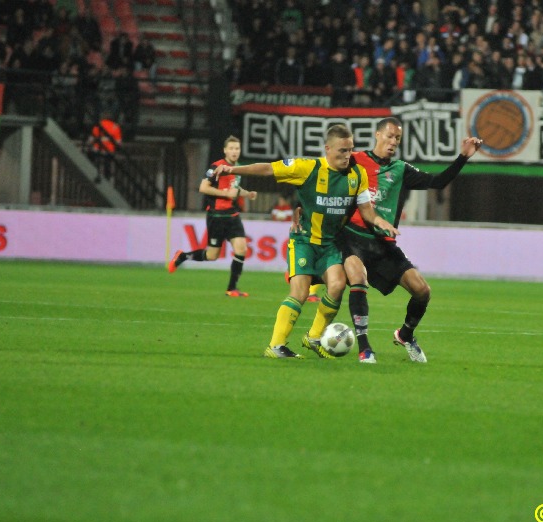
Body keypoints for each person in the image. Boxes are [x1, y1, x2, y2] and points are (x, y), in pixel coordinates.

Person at [213, 124, 399, 359]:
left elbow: (366, 211)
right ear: (327, 149)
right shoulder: (307, 168)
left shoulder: (357, 175)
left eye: (350, 150)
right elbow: (268, 169)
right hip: (304, 240)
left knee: (338, 285)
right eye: (342, 150)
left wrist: (379, 221)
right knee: (300, 292)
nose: (347, 156)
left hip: (331, 244)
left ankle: (313, 336)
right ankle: (276, 345)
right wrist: (231, 170)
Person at [336, 117, 482, 364]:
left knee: (422, 290)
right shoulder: (355, 160)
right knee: (357, 279)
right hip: (352, 237)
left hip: (383, 245)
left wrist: (463, 157)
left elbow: (439, 182)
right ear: (377, 135)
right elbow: (326, 178)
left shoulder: (401, 170)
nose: (393, 142)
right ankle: (364, 348)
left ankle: (405, 334)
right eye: (390, 136)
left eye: (398, 139)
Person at [168, 136, 256, 297]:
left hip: (232, 215)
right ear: (225, 150)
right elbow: (203, 187)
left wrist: (247, 194)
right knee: (211, 256)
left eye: (237, 148)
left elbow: (234, 188)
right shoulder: (216, 166)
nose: (234, 151)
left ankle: (232, 288)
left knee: (241, 249)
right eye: (231, 148)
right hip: (216, 216)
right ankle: (183, 256)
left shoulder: (238, 168)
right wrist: (224, 193)